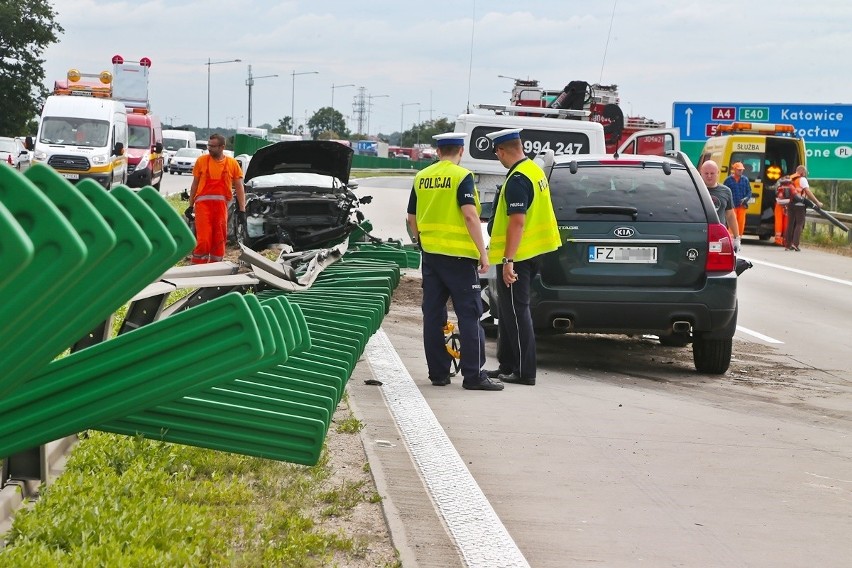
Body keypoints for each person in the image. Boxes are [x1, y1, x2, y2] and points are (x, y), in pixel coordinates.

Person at [406, 133, 502, 391]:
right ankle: (474, 376)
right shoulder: (461, 177)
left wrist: (421, 241)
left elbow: (411, 218)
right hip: (460, 258)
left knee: (433, 315)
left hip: (431, 257)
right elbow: (470, 216)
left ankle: (438, 374)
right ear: (461, 151)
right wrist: (483, 253)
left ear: (438, 152)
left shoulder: (421, 177)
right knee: (470, 315)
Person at [484, 128, 562, 386]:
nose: (498, 157)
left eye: (497, 153)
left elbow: (517, 222)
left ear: (502, 150)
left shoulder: (518, 179)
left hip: (519, 256)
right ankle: (507, 364)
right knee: (507, 312)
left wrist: (508, 261)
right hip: (531, 252)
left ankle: (524, 371)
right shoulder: (534, 170)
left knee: (517, 313)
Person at [187, 133, 246, 264]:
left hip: (221, 208)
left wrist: (242, 209)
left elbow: (240, 187)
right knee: (204, 239)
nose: (209, 148)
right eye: (209, 145)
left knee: (219, 239)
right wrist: (190, 205)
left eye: (213, 146)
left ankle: (216, 267)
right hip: (203, 207)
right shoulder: (201, 161)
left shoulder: (232, 163)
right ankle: (197, 268)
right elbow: (194, 185)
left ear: (222, 147)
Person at [699, 160, 741, 252]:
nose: (709, 176)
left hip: (719, 237)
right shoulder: (695, 189)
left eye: (712, 173)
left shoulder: (726, 191)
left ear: (718, 173)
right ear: (700, 173)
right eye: (706, 173)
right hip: (699, 236)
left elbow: (730, 215)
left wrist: (736, 238)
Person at [784, 165, 822, 251]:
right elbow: (807, 191)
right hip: (800, 204)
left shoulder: (790, 178)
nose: (805, 174)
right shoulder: (802, 179)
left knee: (790, 224)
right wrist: (817, 202)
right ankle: (795, 244)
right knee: (799, 224)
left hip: (790, 203)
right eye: (805, 172)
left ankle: (787, 244)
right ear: (802, 172)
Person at [723, 161, 751, 237]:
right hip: (732, 206)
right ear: (734, 170)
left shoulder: (745, 180)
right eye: (739, 169)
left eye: (742, 170)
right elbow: (724, 192)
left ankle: (739, 238)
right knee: (732, 222)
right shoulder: (728, 180)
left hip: (742, 206)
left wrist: (746, 199)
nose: (741, 171)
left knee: (741, 224)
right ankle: (731, 238)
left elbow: (749, 192)